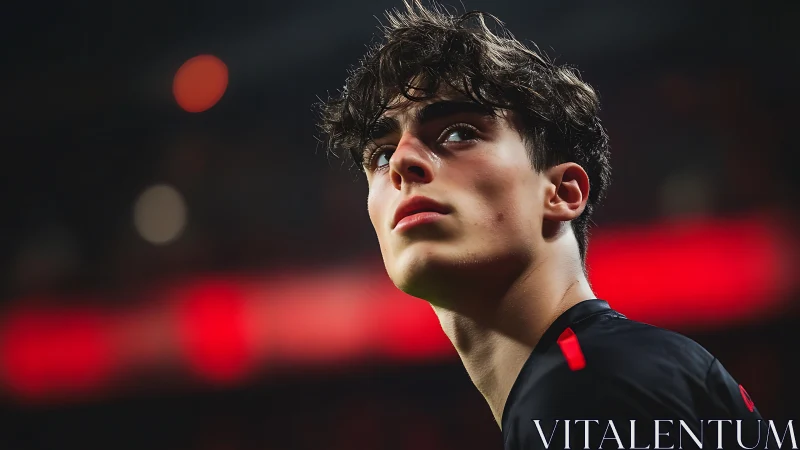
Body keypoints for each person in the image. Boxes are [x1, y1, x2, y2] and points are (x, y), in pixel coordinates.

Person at [315, 2, 780, 449]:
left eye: (458, 133)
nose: (401, 162)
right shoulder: (607, 369)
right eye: (381, 155)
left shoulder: (589, 389)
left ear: (561, 193)